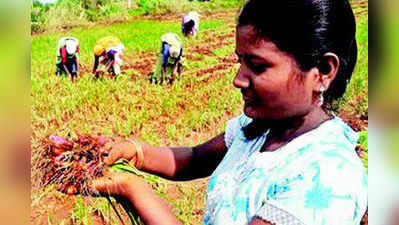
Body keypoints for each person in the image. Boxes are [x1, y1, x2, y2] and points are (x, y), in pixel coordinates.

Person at [91, 0, 368, 224]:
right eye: (240, 62)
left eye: (258, 66)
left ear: (322, 71)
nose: (238, 79)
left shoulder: (327, 176)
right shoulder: (259, 128)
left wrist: (136, 190)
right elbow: (195, 158)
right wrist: (136, 152)